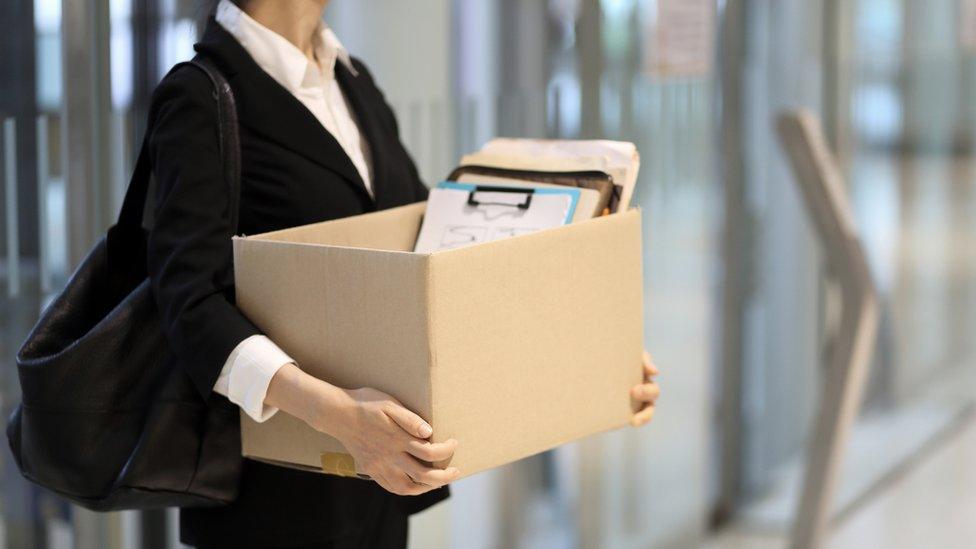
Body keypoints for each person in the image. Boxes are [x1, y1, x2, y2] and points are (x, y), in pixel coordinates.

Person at [146, 0, 661, 547]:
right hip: (274, 491)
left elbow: (428, 250)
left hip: (378, 477)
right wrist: (340, 416)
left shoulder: (350, 79)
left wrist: (592, 359)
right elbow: (188, 301)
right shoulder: (199, 96)